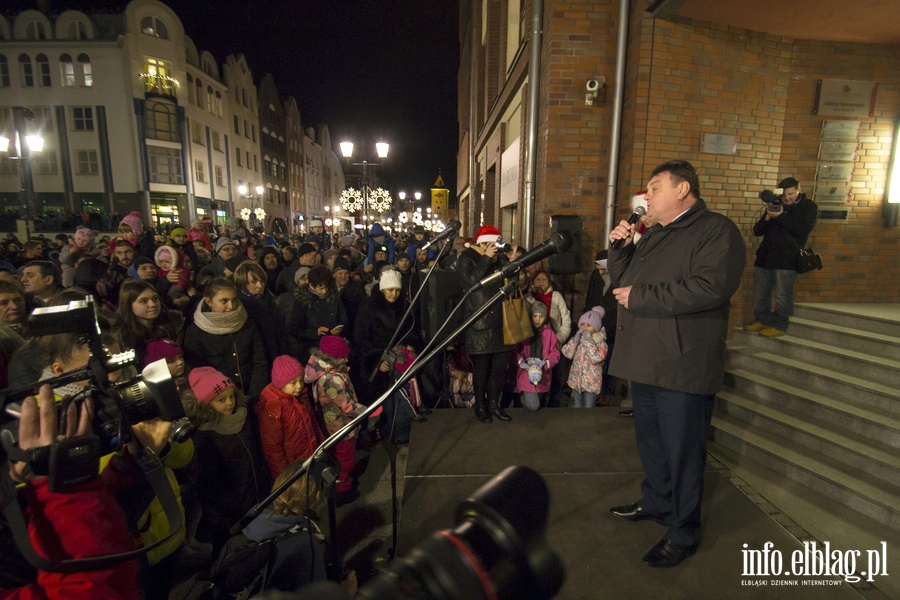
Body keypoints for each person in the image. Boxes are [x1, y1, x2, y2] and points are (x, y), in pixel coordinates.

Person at [606, 160, 745, 567]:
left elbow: (711, 286)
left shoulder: (716, 231)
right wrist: (619, 247)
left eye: (654, 187)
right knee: (652, 444)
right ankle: (656, 502)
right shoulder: (654, 234)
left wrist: (642, 298)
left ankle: (683, 531)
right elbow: (622, 284)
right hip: (648, 360)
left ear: (683, 189)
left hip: (683, 364)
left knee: (683, 452)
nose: (646, 195)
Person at [185, 366, 269, 553]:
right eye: (221, 400)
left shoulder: (244, 419)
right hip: (230, 514)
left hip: (257, 497)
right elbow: (207, 484)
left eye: (232, 396)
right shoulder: (205, 438)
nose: (230, 403)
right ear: (205, 405)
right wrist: (221, 517)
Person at [744, 177, 818, 337]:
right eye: (784, 194)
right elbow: (758, 231)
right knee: (761, 293)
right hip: (765, 257)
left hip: (787, 259)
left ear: (798, 190)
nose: (787, 197)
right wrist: (768, 217)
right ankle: (762, 320)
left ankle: (779, 324)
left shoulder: (808, 207)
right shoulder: (776, 203)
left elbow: (802, 230)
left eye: (790, 194)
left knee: (783, 295)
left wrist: (780, 216)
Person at [455, 225, 511, 423]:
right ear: (484, 242)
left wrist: (509, 260)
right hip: (479, 320)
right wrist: (486, 258)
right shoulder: (467, 257)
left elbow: (510, 279)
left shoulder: (498, 258)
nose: (495, 246)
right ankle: (481, 406)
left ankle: (495, 403)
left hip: (500, 319)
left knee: (501, 365)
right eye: (493, 242)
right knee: (482, 367)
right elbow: (470, 282)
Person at [303, 335, 367, 507]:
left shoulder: (327, 372)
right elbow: (346, 405)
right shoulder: (332, 380)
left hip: (334, 426)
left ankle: (341, 483)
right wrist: (367, 411)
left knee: (339, 457)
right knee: (344, 459)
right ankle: (341, 491)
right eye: (343, 356)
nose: (346, 359)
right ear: (334, 358)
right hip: (341, 427)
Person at [183, 277, 268, 403]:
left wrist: (253, 394)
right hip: (219, 400)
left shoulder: (246, 323)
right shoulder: (195, 332)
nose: (231, 306)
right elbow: (198, 371)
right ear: (209, 301)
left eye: (233, 300)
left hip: (249, 392)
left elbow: (259, 360)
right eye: (224, 301)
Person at [256, 355, 324, 479]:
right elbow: (273, 448)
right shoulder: (274, 408)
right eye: (293, 383)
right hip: (293, 468)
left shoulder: (302, 398)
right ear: (280, 384)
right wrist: (283, 476)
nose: (299, 386)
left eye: (301, 381)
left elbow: (314, 424)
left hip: (311, 458)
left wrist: (322, 446)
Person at [513, 302, 560, 411]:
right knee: (534, 406)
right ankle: (521, 398)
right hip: (526, 373)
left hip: (543, 374)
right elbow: (515, 351)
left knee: (539, 404)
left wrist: (545, 363)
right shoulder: (524, 333)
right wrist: (522, 362)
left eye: (541, 316)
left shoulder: (550, 334)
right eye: (535, 316)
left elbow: (555, 353)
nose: (537, 319)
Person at [561, 307, 608, 408]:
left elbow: (596, 358)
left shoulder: (601, 343)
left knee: (588, 407)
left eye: (589, 325)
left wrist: (588, 341)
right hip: (576, 380)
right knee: (577, 405)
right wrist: (575, 340)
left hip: (591, 383)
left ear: (596, 328)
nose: (585, 328)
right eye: (582, 325)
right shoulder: (579, 340)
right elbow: (567, 353)